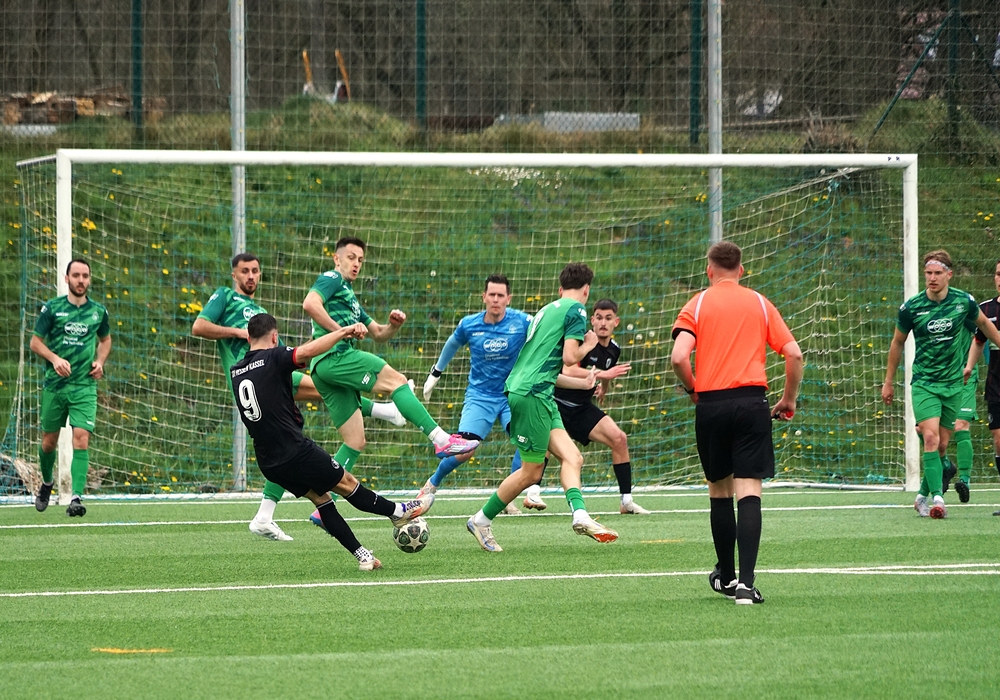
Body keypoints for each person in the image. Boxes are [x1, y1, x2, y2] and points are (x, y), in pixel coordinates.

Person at [193, 252, 406, 541]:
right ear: (234, 275)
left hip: (269, 376)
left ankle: (264, 515)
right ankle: (385, 411)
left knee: (286, 441)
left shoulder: (258, 310)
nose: (250, 276)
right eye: (244, 271)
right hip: (256, 378)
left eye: (255, 270)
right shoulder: (226, 297)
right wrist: (238, 332)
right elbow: (199, 326)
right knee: (325, 384)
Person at [230, 313, 433, 571]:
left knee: (322, 499)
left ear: (249, 338)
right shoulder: (274, 356)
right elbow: (307, 352)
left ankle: (364, 556)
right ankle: (398, 511)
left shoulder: (236, 371)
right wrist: (342, 332)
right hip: (295, 450)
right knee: (347, 484)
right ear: (274, 337)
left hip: (268, 462)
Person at [302, 237, 479, 525]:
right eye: (351, 257)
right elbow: (310, 303)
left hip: (324, 368)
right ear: (337, 259)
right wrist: (342, 331)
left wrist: (393, 326)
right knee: (397, 381)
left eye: (360, 260)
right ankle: (441, 440)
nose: (356, 264)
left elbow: (378, 334)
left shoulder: (350, 298)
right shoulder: (332, 279)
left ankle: (324, 505)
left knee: (355, 441)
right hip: (335, 356)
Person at [671, 241, 802, 605]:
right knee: (749, 491)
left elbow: (679, 357)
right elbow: (793, 353)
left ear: (709, 270)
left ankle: (726, 578)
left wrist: (693, 389)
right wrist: (789, 399)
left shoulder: (697, 304)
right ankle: (746, 584)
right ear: (741, 270)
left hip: (711, 405)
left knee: (719, 491)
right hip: (751, 403)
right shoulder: (759, 303)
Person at [466, 262, 619, 552]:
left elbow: (548, 369)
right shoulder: (576, 310)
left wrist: (584, 384)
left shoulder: (547, 310)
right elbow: (571, 357)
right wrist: (589, 344)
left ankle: (580, 515)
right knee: (531, 472)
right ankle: (480, 520)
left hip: (538, 392)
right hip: (531, 394)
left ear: (562, 287)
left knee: (573, 457)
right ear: (587, 290)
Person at [883, 249, 1000, 520]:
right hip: (924, 383)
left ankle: (921, 497)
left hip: (953, 384)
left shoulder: (963, 302)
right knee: (931, 438)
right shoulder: (912, 307)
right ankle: (938, 499)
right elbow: (897, 342)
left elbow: (984, 325)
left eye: (937, 273)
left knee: (942, 446)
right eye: (928, 273)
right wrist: (888, 382)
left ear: (949, 274)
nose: (932, 278)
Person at [418, 274, 532, 512]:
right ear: (484, 297)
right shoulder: (469, 325)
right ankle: (432, 483)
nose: (496, 299)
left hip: (512, 395)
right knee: (465, 450)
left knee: (526, 442)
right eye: (492, 295)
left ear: (509, 298)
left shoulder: (522, 322)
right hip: (480, 396)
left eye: (501, 295)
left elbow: (544, 335)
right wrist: (435, 373)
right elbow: (452, 344)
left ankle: (508, 497)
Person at [30, 259, 112, 517]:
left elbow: (105, 340)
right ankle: (46, 483)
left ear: (89, 279)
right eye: (76, 275)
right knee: (48, 443)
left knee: (81, 439)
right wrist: (54, 359)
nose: (81, 280)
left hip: (84, 386)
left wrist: (100, 362)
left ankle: (76, 497)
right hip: (56, 386)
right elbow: (35, 342)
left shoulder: (98, 311)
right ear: (66, 278)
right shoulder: (53, 308)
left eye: (85, 275)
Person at [552, 298, 650, 515]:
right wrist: (603, 375)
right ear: (592, 321)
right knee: (544, 447)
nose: (603, 323)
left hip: (581, 408)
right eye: (599, 318)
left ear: (616, 322)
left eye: (608, 318)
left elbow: (607, 370)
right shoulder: (582, 343)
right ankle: (532, 493)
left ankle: (626, 501)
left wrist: (604, 388)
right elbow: (568, 370)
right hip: (557, 405)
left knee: (619, 439)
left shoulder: (614, 349)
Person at [964, 259, 1000, 510]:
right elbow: (978, 342)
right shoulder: (986, 309)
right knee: (999, 440)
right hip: (996, 385)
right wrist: (968, 366)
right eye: (998, 274)